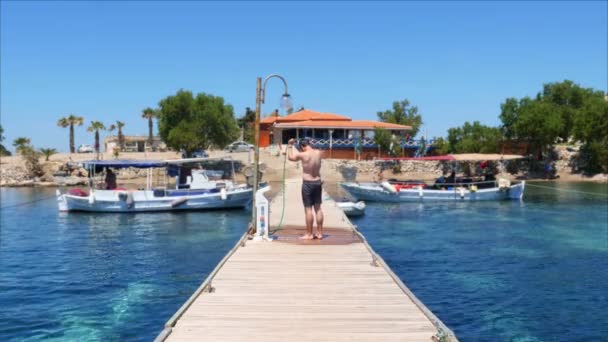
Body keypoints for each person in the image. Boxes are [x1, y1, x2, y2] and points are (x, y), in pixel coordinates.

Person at [287, 138, 324, 240]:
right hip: (317, 182)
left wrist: (290, 145)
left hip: (308, 183)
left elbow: (290, 157)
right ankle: (320, 233)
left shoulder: (303, 155)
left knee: (308, 210)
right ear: (309, 144)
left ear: (302, 147)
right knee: (318, 208)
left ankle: (309, 234)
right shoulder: (319, 153)